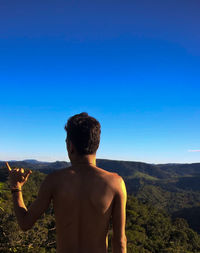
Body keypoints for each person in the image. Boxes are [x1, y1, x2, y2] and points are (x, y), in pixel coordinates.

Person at [7, 112, 127, 253]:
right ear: (97, 145)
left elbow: (25, 223)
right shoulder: (115, 183)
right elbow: (120, 242)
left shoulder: (54, 180)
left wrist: (16, 188)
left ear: (70, 146)